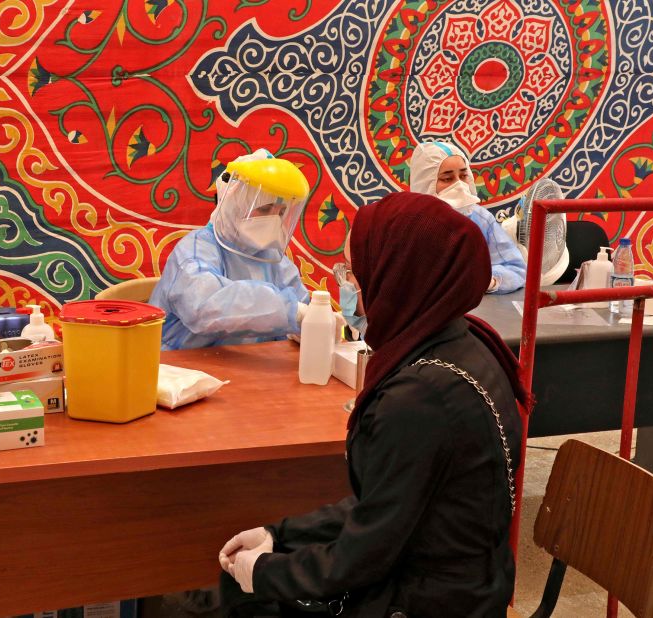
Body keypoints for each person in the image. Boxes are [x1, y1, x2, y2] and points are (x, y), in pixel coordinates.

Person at [218, 192, 529, 617]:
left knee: (239, 598)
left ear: (398, 276)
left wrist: (265, 572)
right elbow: (390, 502)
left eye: (356, 274)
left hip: (430, 602)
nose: (351, 287)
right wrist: (280, 535)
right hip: (466, 583)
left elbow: (366, 552)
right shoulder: (465, 341)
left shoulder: (421, 395)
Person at [149, 150, 312, 350]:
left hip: (250, 373)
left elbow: (302, 304)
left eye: (281, 212)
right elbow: (205, 307)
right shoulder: (194, 251)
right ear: (233, 205)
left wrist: (316, 321)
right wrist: (289, 311)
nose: (273, 220)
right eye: (264, 209)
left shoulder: (274, 260)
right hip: (182, 372)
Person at [410, 141, 527, 294]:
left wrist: (488, 281)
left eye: (463, 175)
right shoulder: (408, 224)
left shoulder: (481, 219)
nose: (459, 184)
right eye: (447, 179)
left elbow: (516, 269)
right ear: (425, 182)